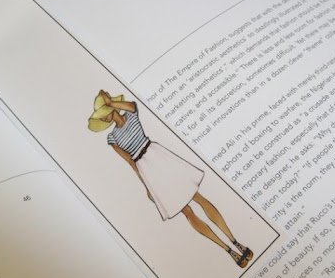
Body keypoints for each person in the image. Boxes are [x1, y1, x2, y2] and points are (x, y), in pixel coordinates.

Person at [88, 90, 253, 268]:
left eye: (104, 112)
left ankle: (235, 241)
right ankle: (228, 250)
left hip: (159, 156)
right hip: (146, 170)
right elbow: (130, 162)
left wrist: (111, 103)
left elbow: (132, 106)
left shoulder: (131, 113)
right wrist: (146, 185)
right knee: (186, 211)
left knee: (197, 196)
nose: (103, 117)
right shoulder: (112, 137)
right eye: (100, 115)